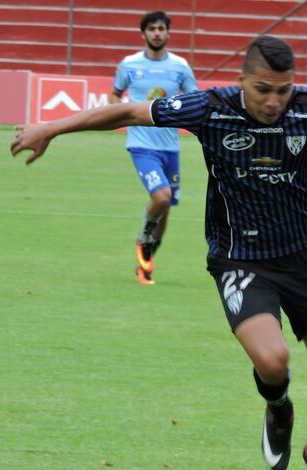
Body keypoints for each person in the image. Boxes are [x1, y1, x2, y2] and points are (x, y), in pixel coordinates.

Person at [12, 35, 307, 470]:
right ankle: (278, 407)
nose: (274, 101)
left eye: (283, 90)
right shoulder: (209, 108)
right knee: (273, 362)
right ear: (242, 82)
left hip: (305, 256)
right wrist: (51, 127)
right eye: (262, 89)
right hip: (239, 258)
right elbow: (129, 112)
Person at [109, 10, 198, 284]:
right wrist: (121, 115)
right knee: (161, 197)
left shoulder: (180, 66)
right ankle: (144, 236)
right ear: (144, 33)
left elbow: (195, 99)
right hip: (141, 145)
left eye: (161, 28)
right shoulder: (129, 65)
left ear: (168, 33)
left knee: (166, 207)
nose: (157, 33)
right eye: (152, 29)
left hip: (170, 147)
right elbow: (115, 95)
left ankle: (145, 264)